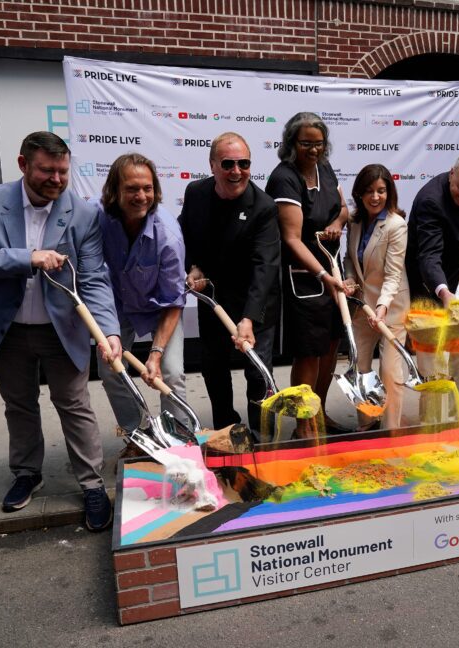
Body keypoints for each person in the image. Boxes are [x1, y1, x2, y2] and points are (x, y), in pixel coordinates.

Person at [0, 131, 120, 531]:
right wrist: (27, 257)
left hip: (62, 328)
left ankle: (92, 484)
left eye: (63, 171)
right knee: (19, 405)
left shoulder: (83, 213)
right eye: (47, 170)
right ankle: (27, 473)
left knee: (75, 404)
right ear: (23, 164)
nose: (56, 179)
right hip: (8, 329)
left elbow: (95, 277)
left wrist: (109, 332)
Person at [180, 132, 281, 437]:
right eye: (228, 164)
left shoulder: (263, 206)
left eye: (244, 163)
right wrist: (192, 267)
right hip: (213, 298)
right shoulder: (196, 193)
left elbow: (265, 267)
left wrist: (248, 318)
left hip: (255, 302)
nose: (237, 171)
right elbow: (184, 237)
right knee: (213, 368)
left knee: (257, 372)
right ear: (212, 165)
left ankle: (263, 434)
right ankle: (228, 430)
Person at [266, 113, 349, 433]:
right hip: (302, 278)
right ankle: (304, 425)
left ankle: (320, 413)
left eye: (319, 144)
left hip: (332, 270)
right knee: (309, 352)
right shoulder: (284, 178)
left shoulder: (324, 170)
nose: (313, 150)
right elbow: (291, 238)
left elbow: (344, 209)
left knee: (330, 346)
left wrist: (336, 224)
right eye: (306, 144)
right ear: (291, 144)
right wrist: (323, 277)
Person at [95, 153, 187, 435]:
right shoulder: (96, 218)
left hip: (159, 308)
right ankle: (137, 434)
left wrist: (155, 355)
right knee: (111, 369)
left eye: (147, 188)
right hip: (117, 307)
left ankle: (176, 438)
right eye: (132, 189)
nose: (141, 196)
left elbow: (173, 301)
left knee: (170, 372)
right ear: (114, 191)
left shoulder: (168, 236)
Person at [406, 153, 459, 421]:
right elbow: (429, 257)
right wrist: (443, 292)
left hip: (458, 282)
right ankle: (431, 425)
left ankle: (451, 421)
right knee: (433, 363)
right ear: (451, 173)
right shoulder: (431, 201)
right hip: (430, 288)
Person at [342, 164, 410, 431]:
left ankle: (392, 432)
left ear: (389, 192)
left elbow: (393, 275)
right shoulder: (355, 222)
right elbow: (350, 259)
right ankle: (368, 425)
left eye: (381, 191)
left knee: (390, 372)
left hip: (390, 308)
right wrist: (348, 279)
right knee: (360, 368)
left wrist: (382, 307)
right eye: (369, 191)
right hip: (361, 307)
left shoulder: (396, 225)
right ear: (359, 193)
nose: (375, 197)